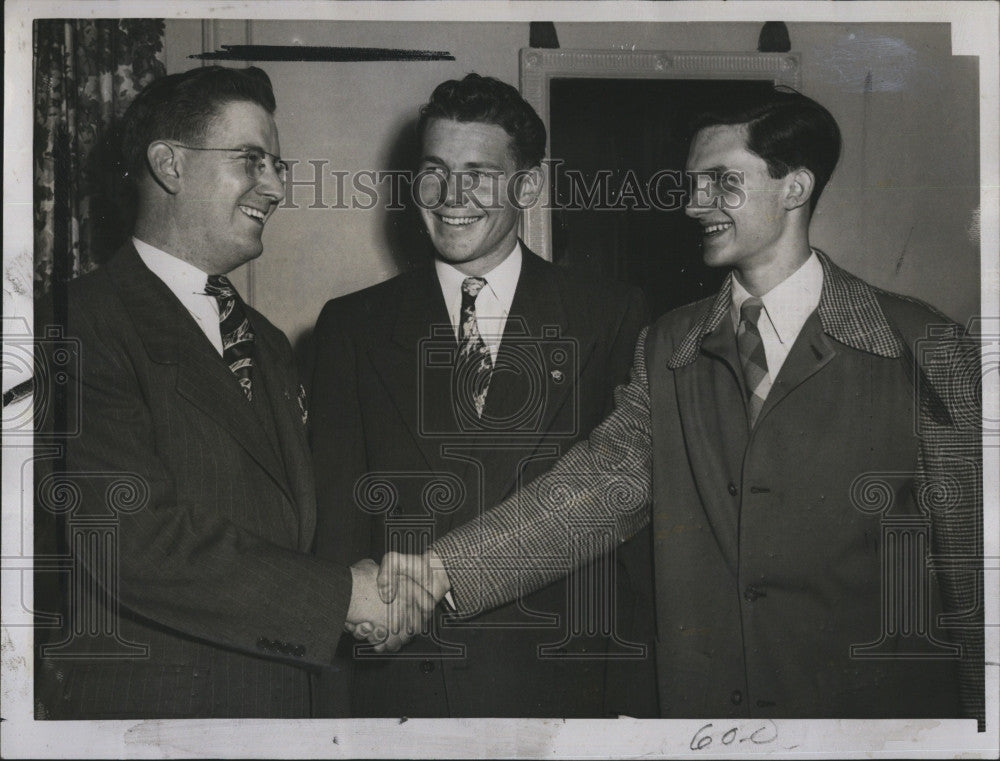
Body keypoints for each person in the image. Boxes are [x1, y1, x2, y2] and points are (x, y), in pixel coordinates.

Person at [381, 87, 984, 726]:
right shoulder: (670, 345)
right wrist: (441, 570)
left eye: (723, 182)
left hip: (872, 724)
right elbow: (599, 486)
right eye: (692, 183)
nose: (695, 204)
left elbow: (974, 564)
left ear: (795, 187)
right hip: (706, 721)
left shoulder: (922, 345)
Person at [36, 66, 422, 720]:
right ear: (169, 165)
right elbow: (132, 539)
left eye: (277, 165)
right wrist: (342, 598)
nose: (274, 187)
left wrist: (387, 586)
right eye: (251, 160)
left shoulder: (267, 343)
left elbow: (289, 525)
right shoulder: (75, 323)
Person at [309, 73, 654, 718]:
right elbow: (336, 523)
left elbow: (621, 509)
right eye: (434, 171)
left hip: (563, 683)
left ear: (527, 186)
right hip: (404, 680)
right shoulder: (350, 324)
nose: (451, 197)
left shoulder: (610, 314)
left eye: (479, 173)